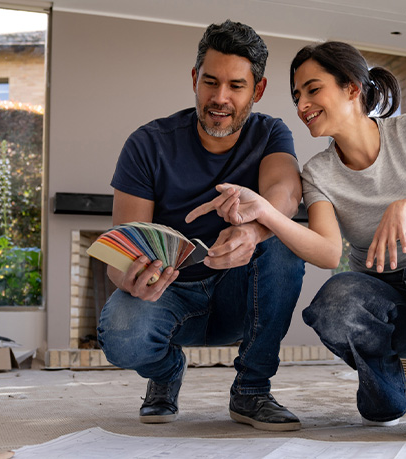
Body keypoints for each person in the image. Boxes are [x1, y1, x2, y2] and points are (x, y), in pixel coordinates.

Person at [187, 41, 406, 444]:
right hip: (381, 304)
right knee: (333, 300)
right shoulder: (318, 172)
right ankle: (384, 387)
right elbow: (327, 253)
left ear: (352, 88)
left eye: (313, 90)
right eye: (297, 95)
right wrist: (265, 213)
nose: (302, 105)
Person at [96, 20, 306, 432]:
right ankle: (167, 370)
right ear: (194, 78)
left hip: (241, 296)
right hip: (169, 296)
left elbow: (285, 191)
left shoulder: (271, 133)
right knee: (121, 333)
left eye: (236, 86)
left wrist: (253, 229)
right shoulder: (147, 143)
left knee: (282, 241)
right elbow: (118, 254)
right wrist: (129, 278)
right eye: (210, 82)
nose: (220, 98)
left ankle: (251, 390)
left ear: (258, 91)